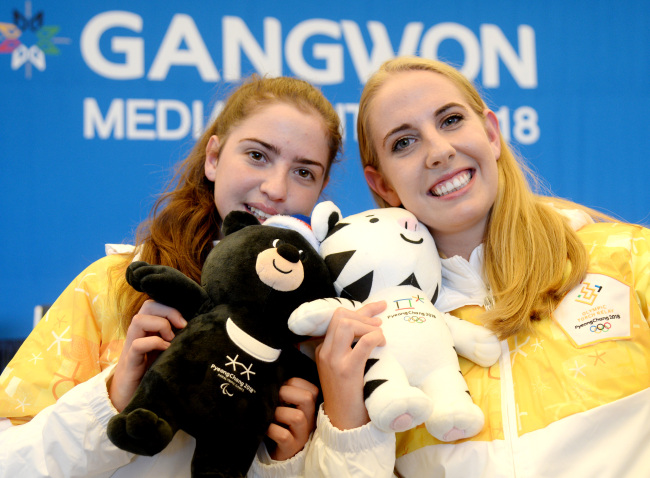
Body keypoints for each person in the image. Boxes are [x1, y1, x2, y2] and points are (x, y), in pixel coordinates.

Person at [305, 56, 650, 477]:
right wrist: (345, 414)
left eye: (450, 120)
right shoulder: (367, 330)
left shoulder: (627, 258)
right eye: (404, 142)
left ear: (490, 133)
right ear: (383, 185)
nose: (439, 151)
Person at [0, 74, 343, 477]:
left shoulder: (317, 330)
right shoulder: (112, 286)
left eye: (304, 172)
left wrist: (286, 462)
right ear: (213, 157)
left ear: (320, 194)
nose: (275, 188)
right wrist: (111, 397)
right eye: (257, 155)